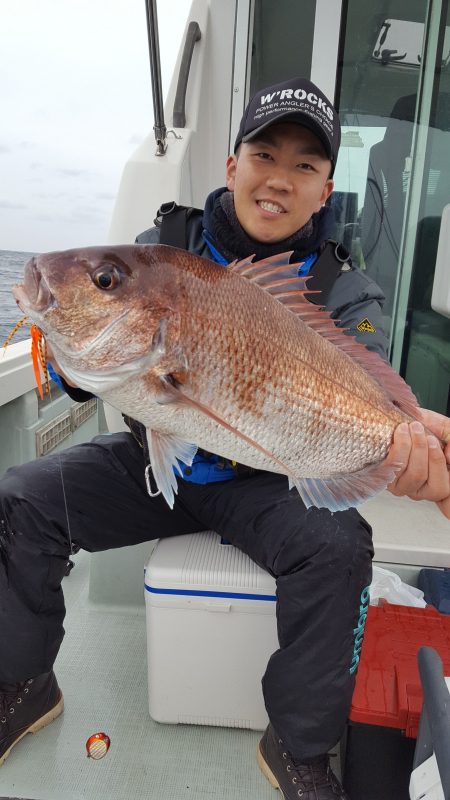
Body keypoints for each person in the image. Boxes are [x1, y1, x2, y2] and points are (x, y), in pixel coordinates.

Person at [0, 77, 449, 799]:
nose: (280, 179)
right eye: (264, 155)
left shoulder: (346, 290)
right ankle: (24, 682)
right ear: (233, 164)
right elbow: (103, 373)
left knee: (340, 549)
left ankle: (300, 747)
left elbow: (368, 401)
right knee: (23, 495)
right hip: (157, 460)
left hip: (268, 482)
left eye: (305, 165)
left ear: (324, 189)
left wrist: (404, 452)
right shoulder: (162, 250)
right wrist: (69, 355)